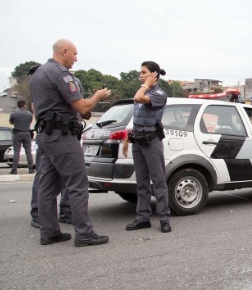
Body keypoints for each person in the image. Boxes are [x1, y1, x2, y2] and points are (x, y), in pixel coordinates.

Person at [29, 38, 111, 246]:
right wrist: (97, 96)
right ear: (64, 51)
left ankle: (49, 232)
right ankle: (84, 233)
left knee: (46, 187)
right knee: (78, 184)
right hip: (62, 137)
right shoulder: (60, 74)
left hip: (46, 135)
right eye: (74, 54)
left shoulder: (38, 74)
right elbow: (83, 108)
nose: (76, 58)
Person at [122, 61, 171, 233]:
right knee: (141, 182)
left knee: (158, 181)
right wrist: (128, 137)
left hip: (151, 141)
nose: (140, 76)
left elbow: (138, 98)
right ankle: (142, 218)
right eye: (140, 72)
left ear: (153, 75)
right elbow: (138, 118)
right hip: (139, 141)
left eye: (144, 72)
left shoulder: (158, 93)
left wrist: (146, 85)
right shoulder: (143, 90)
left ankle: (164, 218)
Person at [27, 65, 72, 229]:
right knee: (44, 176)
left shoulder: (48, 83)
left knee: (61, 177)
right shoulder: (40, 85)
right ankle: (39, 214)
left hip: (60, 133)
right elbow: (36, 109)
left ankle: (63, 212)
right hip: (51, 133)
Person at [9, 100, 35, 174]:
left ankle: (14, 169)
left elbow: (11, 122)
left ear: (18, 105)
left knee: (17, 151)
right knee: (28, 151)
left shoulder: (14, 114)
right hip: (27, 133)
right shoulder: (29, 114)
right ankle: (31, 168)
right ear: (24, 105)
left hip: (17, 133)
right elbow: (30, 122)